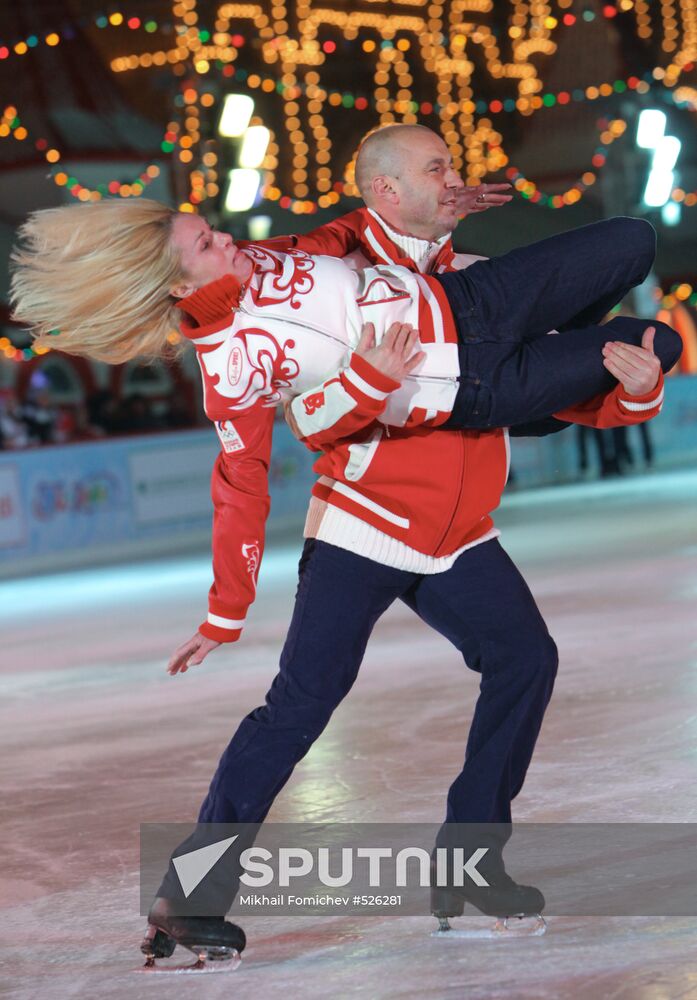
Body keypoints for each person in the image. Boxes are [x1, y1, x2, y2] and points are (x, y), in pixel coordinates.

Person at [9, 129, 682, 964]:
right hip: (364, 524)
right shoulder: (239, 358)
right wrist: (224, 612)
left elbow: (360, 234)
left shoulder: (312, 257)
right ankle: (188, 895)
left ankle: (469, 862)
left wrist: (629, 391)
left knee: (525, 660)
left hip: (457, 524)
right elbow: (256, 469)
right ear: (178, 281)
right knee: (301, 703)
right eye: (207, 242)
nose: (230, 238)